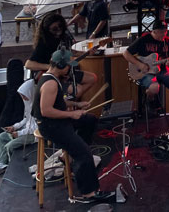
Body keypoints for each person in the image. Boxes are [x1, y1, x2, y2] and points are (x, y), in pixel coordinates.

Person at [33, 49, 113, 204]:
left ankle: (68, 156)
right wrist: (71, 114)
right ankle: (88, 194)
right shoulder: (50, 83)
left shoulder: (53, 78)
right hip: (50, 126)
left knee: (89, 119)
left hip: (57, 121)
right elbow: (46, 110)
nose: (70, 68)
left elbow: (59, 103)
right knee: (84, 154)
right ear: (62, 66)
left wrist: (77, 104)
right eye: (68, 66)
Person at [26, 13, 97, 98]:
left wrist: (86, 53)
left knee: (92, 78)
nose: (59, 30)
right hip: (50, 76)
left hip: (65, 73)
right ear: (47, 30)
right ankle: (67, 102)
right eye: (54, 29)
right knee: (77, 90)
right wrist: (51, 67)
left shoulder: (64, 37)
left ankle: (71, 101)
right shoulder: (43, 43)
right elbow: (28, 64)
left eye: (60, 26)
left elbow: (70, 52)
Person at [0, 71, 37, 177]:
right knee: (1, 137)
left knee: (10, 146)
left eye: (24, 96)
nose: (23, 99)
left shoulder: (37, 105)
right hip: (25, 131)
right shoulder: (28, 103)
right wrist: (14, 127)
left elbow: (35, 128)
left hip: (34, 135)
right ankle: (1, 163)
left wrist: (19, 133)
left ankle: (12, 169)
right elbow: (26, 119)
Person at [123, 21, 169, 110]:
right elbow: (126, 53)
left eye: (165, 31)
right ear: (154, 31)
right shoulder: (144, 40)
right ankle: (149, 99)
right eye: (161, 32)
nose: (164, 34)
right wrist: (140, 65)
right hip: (146, 72)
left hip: (162, 71)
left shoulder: (168, 42)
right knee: (154, 88)